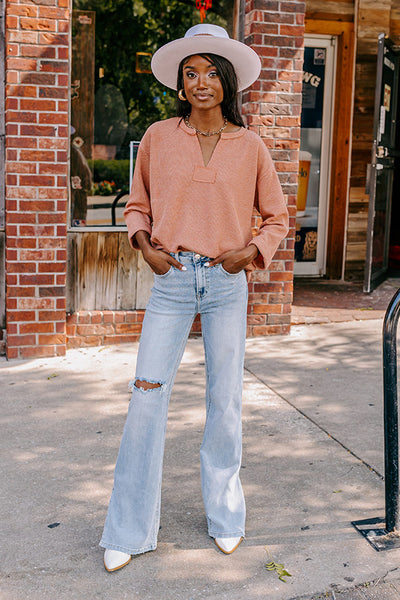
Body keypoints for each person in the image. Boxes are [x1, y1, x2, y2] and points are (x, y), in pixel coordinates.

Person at [100, 23, 289, 572]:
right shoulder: (160, 137)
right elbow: (138, 205)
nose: (200, 82)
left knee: (225, 401)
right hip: (172, 281)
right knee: (146, 396)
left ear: (227, 83)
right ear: (180, 86)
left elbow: (278, 217)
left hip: (228, 284)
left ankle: (227, 517)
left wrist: (249, 254)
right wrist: (143, 246)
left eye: (211, 72)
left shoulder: (250, 145)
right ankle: (129, 530)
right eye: (191, 74)